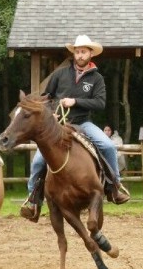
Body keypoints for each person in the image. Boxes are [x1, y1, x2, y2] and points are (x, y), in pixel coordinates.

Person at [20, 34, 130, 222]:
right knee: (39, 160)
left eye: (83, 52)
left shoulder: (97, 79)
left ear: (90, 54)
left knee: (108, 146)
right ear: (74, 53)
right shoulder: (60, 74)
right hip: (58, 125)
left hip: (83, 123)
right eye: (77, 51)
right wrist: (51, 113)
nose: (80, 55)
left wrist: (75, 101)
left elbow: (100, 103)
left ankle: (114, 187)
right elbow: (47, 96)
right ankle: (32, 200)